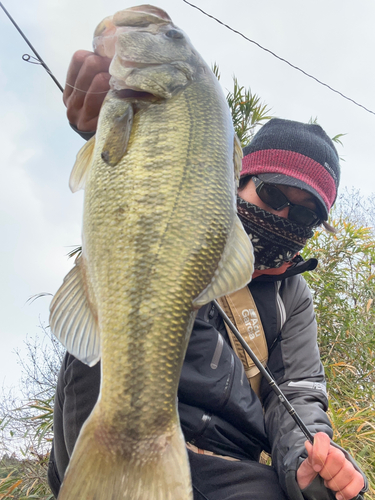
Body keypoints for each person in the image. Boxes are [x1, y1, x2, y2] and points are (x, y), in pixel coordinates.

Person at [48, 51, 368, 500]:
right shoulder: (181, 222)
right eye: (273, 193)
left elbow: (297, 393)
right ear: (237, 178)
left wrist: (306, 461)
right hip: (115, 422)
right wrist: (113, 127)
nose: (282, 216)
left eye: (304, 215)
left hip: (227, 466)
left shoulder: (292, 298)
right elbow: (135, 203)